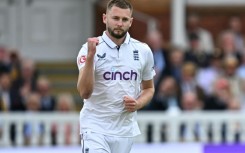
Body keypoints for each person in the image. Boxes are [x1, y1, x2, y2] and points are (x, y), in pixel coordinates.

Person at [76, 0, 155, 153]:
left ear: (131, 22)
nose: (120, 23)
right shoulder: (89, 49)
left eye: (124, 19)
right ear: (105, 18)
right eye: (115, 18)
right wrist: (91, 56)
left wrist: (138, 103)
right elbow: (84, 92)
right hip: (95, 128)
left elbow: (149, 88)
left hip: (125, 131)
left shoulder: (143, 51)